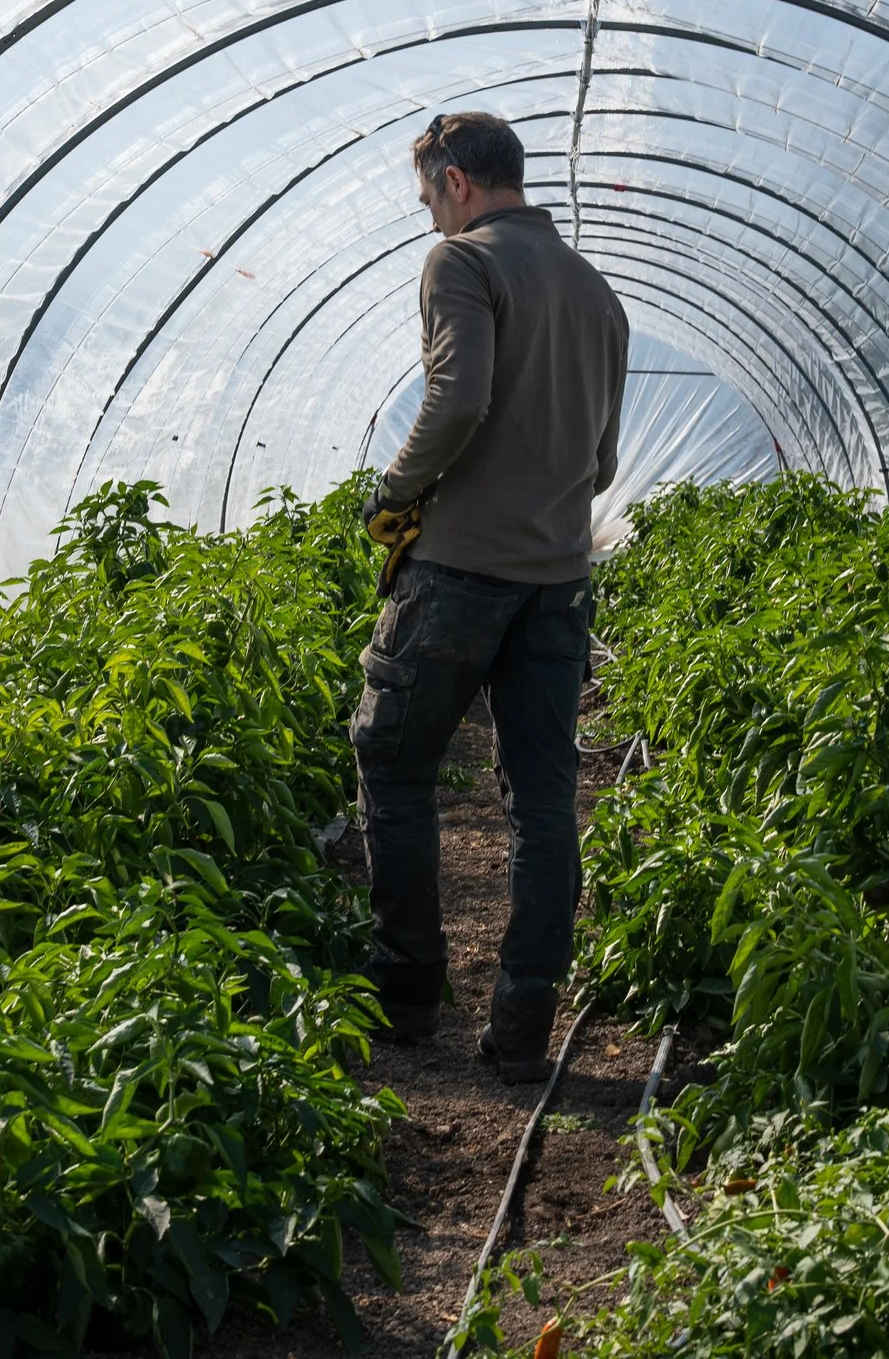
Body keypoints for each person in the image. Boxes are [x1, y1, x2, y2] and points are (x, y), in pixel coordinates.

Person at [351, 111, 629, 1083]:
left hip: (461, 568)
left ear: (459, 182)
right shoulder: (596, 293)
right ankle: (520, 1027)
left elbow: (458, 396)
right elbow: (600, 463)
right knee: (544, 801)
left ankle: (407, 992)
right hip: (557, 581)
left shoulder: (461, 266)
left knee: (391, 760)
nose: (429, 216)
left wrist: (395, 492)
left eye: (429, 195)